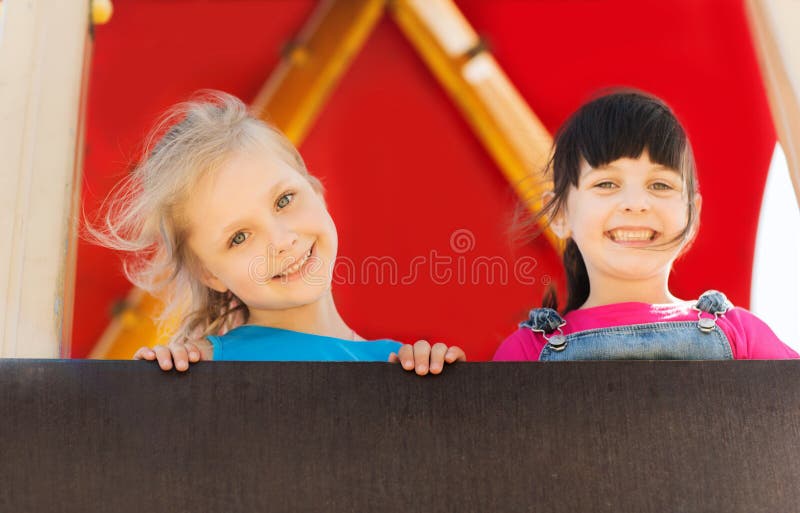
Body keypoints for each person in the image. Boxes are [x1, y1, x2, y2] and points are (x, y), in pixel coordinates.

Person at [88, 91, 465, 374]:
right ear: (211, 274)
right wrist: (157, 382)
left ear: (316, 191)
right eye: (239, 237)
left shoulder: (403, 365)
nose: (281, 241)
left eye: (284, 200)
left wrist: (445, 385)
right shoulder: (201, 369)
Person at [494, 90, 797, 361]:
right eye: (607, 183)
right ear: (560, 215)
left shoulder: (740, 335)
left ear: (693, 214)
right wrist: (447, 377)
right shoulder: (526, 352)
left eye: (661, 185)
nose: (636, 202)